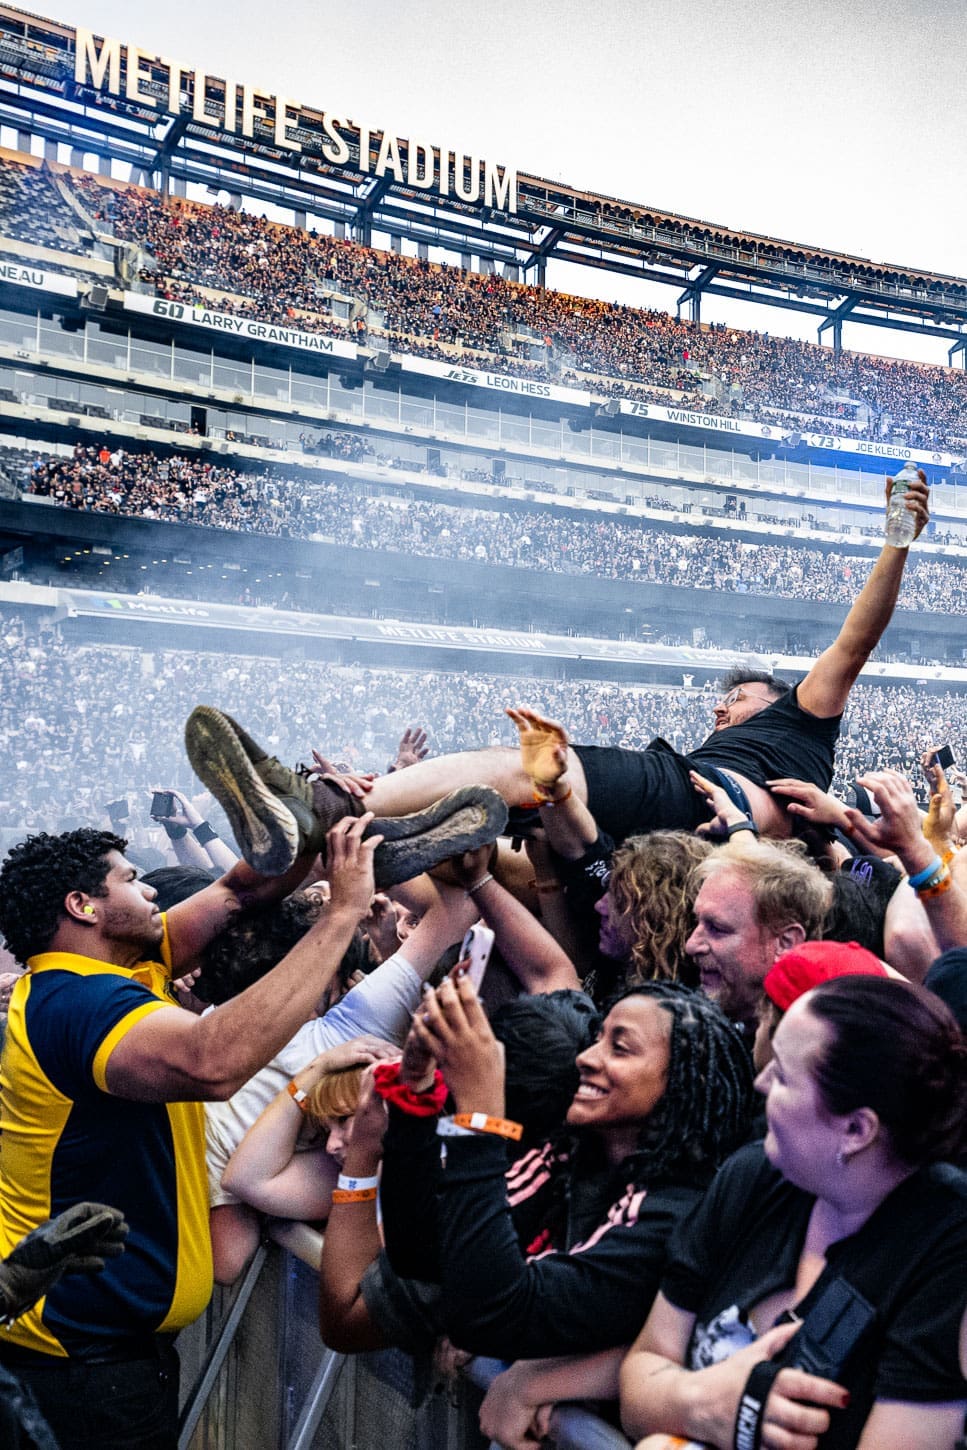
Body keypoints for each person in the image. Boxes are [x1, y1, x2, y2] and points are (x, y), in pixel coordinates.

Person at [184, 473, 930, 870]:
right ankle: (350, 835)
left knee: (524, 769)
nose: (719, 710)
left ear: (780, 704)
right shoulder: (727, 761)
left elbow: (853, 641)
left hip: (678, 800)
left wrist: (895, 540)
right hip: (666, 847)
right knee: (491, 843)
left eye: (736, 700)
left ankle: (321, 809)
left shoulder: (803, 723)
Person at [0, 815, 381, 1450]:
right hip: (77, 1368)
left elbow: (238, 891)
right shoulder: (77, 1005)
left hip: (104, 1359)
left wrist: (324, 825)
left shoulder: (111, 973)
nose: (152, 891)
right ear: (83, 905)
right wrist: (341, 916)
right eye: (131, 880)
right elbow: (212, 1063)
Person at [483, 976, 967, 1450]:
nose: (760, 1082)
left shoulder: (946, 1246)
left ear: (857, 1129)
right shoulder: (754, 1174)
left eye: (782, 1074)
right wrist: (704, 1402)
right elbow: (640, 1381)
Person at [318, 974, 753, 1361]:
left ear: (680, 1084)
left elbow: (493, 1313)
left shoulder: (670, 1214)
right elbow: (421, 1254)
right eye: (597, 1038)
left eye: (619, 1048)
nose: (586, 1058)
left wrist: (483, 1120)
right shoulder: (568, 1153)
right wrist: (415, 1095)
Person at [684, 840, 832, 1032]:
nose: (691, 945)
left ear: (786, 942)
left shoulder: (811, 1054)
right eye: (697, 922)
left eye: (717, 928)